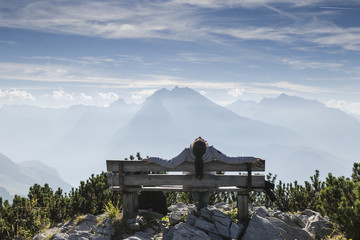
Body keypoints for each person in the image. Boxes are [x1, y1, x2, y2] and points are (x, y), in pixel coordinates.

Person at [142, 137, 263, 210]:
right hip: (210, 184)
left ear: (192, 146)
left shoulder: (187, 152)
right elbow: (230, 160)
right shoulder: (211, 151)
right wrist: (250, 159)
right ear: (206, 146)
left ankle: (198, 208)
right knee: (206, 185)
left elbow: (171, 163)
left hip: (190, 185)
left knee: (196, 186)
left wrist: (153, 159)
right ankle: (203, 209)